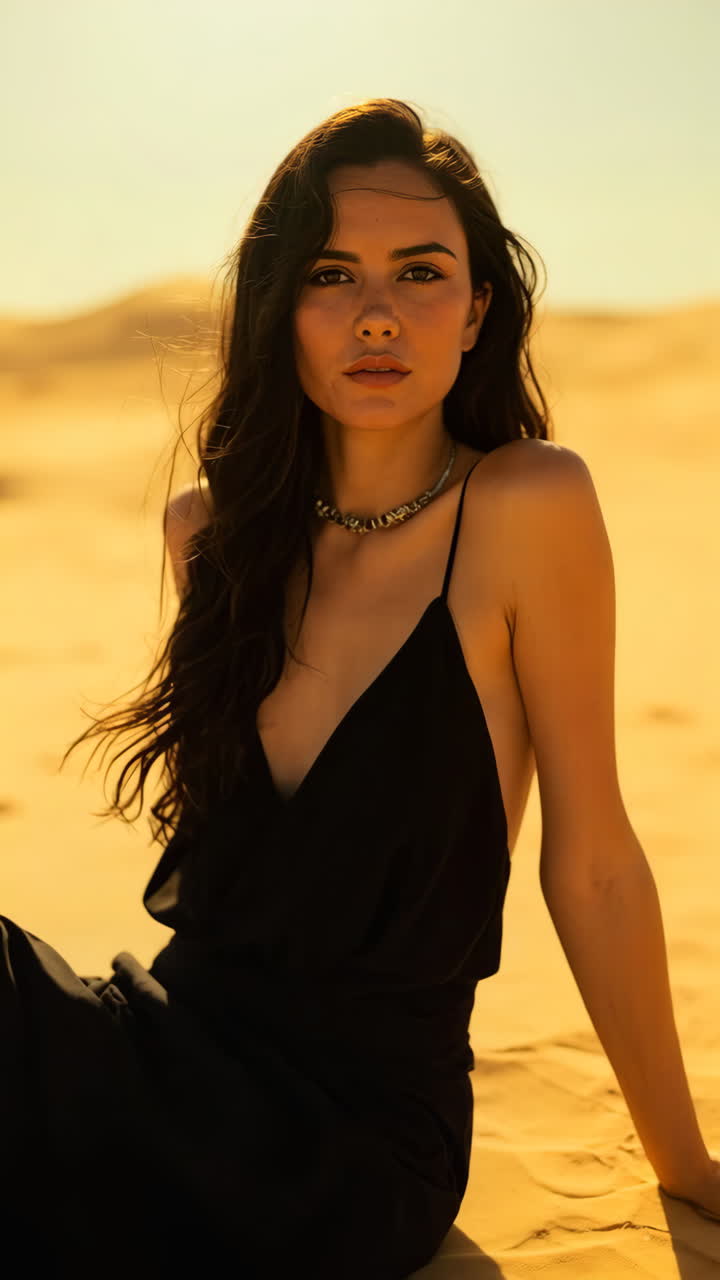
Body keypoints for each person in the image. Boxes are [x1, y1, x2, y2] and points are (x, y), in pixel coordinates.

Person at [3, 98, 718, 1278]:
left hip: (351, 1144)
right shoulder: (212, 538)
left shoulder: (524, 506)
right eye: (332, 272)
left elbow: (591, 860)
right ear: (282, 306)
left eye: (421, 272)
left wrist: (684, 1167)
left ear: (478, 307)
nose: (377, 313)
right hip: (167, 1056)